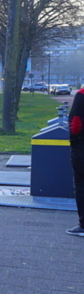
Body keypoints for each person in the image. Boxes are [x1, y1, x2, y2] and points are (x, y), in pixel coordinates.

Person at [67, 85, 84, 237]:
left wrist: (73, 141)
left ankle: (83, 225)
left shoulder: (82, 94)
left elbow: (76, 122)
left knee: (81, 183)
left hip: (82, 146)